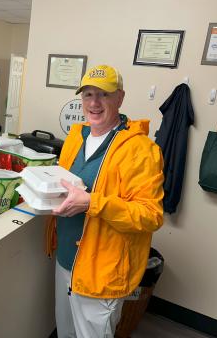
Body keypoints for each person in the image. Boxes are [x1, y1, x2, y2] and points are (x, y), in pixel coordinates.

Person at [49, 65, 164, 338]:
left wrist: (93, 203)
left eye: (103, 94)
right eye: (88, 94)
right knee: (66, 334)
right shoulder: (76, 136)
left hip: (102, 271)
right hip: (66, 260)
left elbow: (150, 215)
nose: (94, 103)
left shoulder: (141, 149)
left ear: (120, 98)